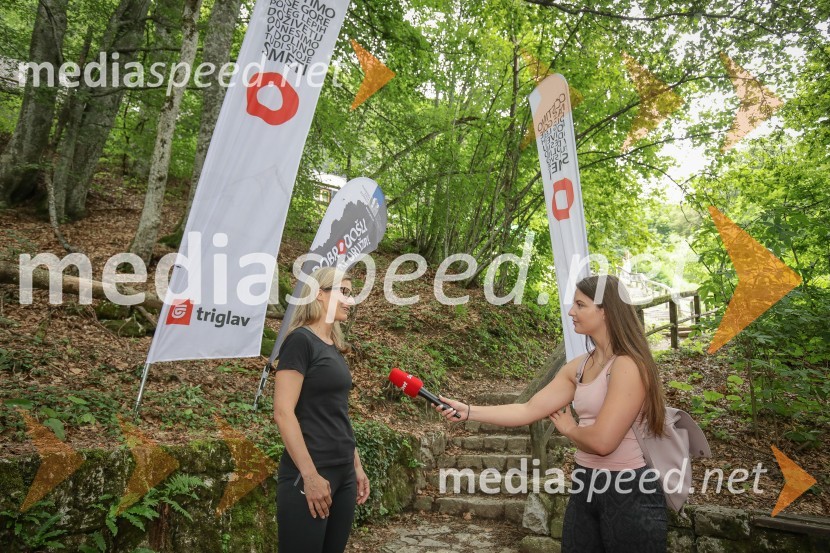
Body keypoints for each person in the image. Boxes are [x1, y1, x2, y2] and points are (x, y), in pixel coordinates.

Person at [437, 274, 668, 552]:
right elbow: (527, 409)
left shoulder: (629, 365)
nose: (571, 311)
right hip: (586, 483)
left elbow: (604, 442)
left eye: (580, 305)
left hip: (629, 489)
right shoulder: (579, 367)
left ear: (605, 310)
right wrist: (470, 411)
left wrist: (569, 428)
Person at [273, 267, 370, 553]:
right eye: (344, 292)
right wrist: (310, 476)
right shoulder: (300, 342)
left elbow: (337, 412)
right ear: (319, 293)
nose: (349, 301)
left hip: (344, 473)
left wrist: (356, 465)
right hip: (311, 473)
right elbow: (283, 412)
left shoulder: (334, 347)